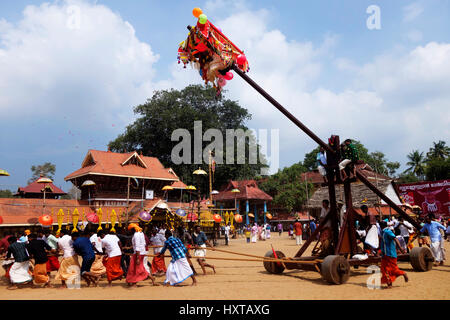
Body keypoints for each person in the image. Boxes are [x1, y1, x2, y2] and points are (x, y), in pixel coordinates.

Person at [379, 220, 408, 289]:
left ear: (381, 226)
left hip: (390, 254)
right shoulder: (383, 232)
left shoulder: (387, 232)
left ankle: (402, 273)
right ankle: (389, 283)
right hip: (385, 254)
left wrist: (400, 248)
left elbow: (395, 238)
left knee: (391, 269)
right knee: (384, 269)